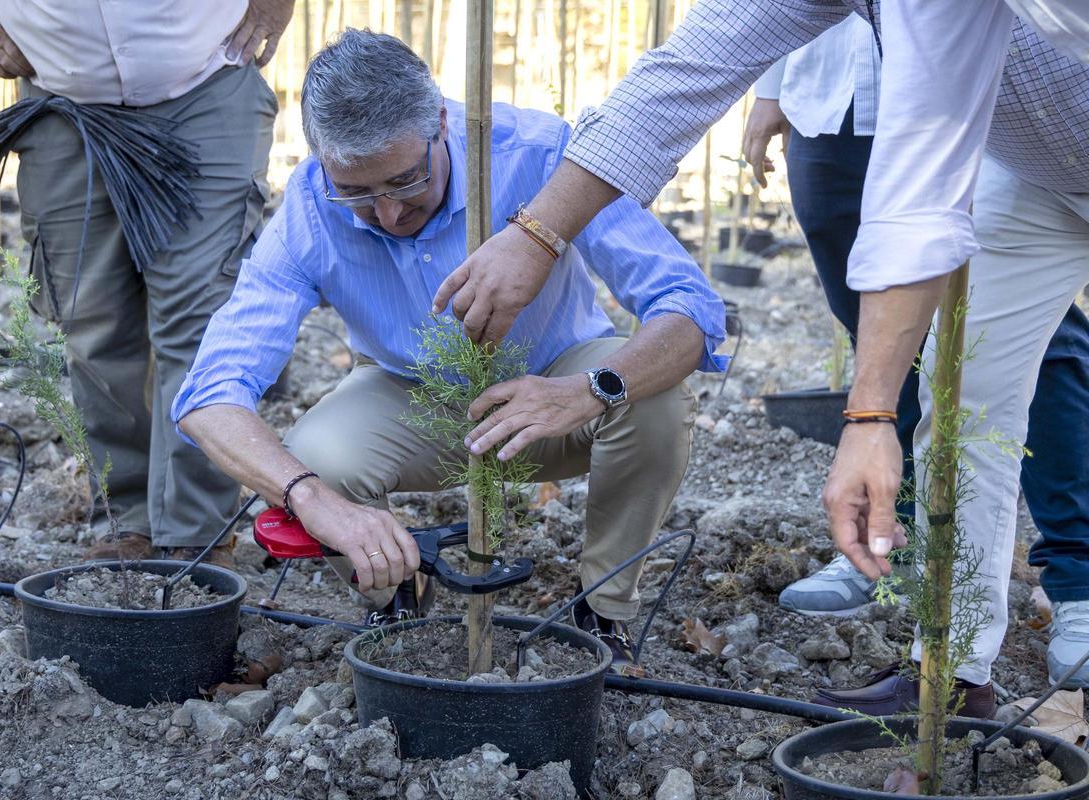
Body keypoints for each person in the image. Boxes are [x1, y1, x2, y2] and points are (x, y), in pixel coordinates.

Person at [430, 3, 1089, 710]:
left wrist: (865, 415)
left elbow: (922, 179)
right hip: (1037, 177)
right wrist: (538, 233)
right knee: (964, 400)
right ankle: (954, 676)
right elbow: (684, 73)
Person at [172, 29, 727, 672]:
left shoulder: (539, 154)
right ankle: (396, 595)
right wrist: (311, 498)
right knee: (317, 458)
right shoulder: (307, 208)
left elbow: (690, 307)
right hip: (412, 396)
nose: (386, 214)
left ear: (441, 121)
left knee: (652, 400)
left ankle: (604, 611)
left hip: (556, 385)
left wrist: (586, 390)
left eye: (405, 181)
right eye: (355, 190)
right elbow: (208, 396)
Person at [743, 15, 1089, 698]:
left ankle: (1079, 577)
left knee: (1032, 355)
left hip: (1024, 115)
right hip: (988, 150)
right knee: (949, 381)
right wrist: (868, 414)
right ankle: (951, 671)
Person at [0, 0, 295, 566]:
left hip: (203, 86)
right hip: (62, 105)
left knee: (198, 320)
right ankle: (131, 520)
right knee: (93, 322)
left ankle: (193, 535)